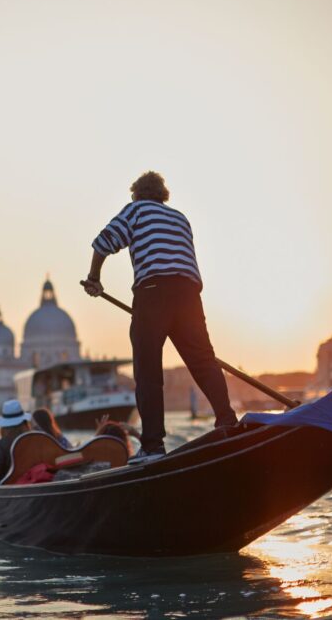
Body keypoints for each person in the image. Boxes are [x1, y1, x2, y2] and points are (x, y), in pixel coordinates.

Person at [83, 171, 237, 464]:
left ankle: (153, 445)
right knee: (204, 362)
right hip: (189, 293)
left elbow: (102, 243)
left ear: (137, 194)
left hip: (153, 292)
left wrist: (94, 279)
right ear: (162, 195)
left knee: (148, 371)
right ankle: (227, 420)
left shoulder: (137, 209)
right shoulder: (181, 218)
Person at [0, 400, 32, 485]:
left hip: (10, 490)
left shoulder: (1, 446)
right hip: (35, 484)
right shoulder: (34, 440)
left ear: (4, 426)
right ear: (25, 423)